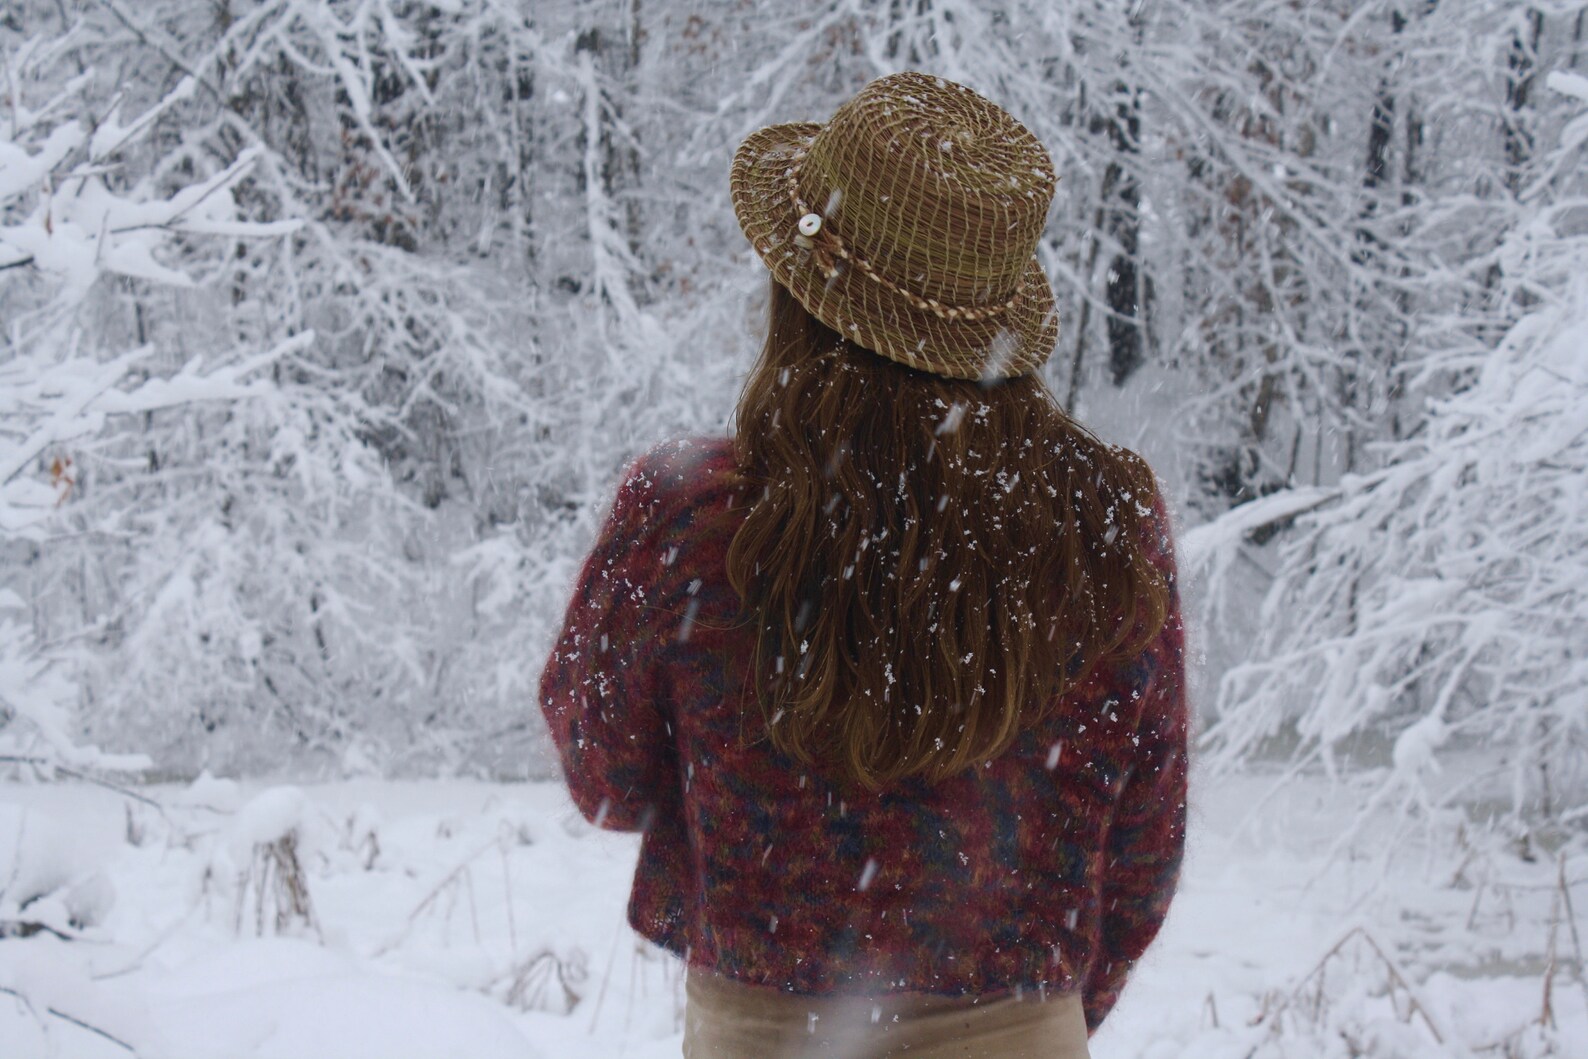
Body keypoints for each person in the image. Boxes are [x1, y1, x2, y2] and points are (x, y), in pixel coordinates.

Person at [539, 72, 1188, 1058]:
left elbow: (604, 776)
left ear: (799, 294)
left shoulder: (688, 517)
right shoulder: (1105, 527)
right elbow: (1143, 851)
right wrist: (1022, 1014)